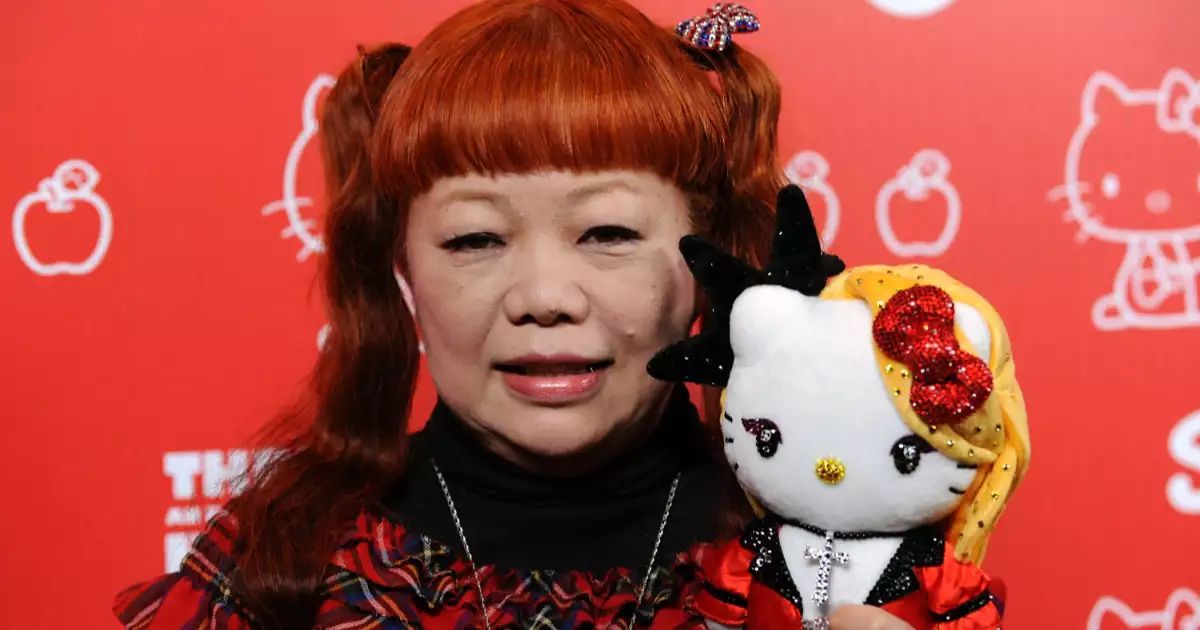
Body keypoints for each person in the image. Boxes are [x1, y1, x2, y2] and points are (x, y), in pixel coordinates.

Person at [114, 1, 917, 628]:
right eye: (475, 239)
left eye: (607, 233)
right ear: (404, 266)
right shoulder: (283, 565)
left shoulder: (834, 557)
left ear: (709, 260)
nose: (543, 297)